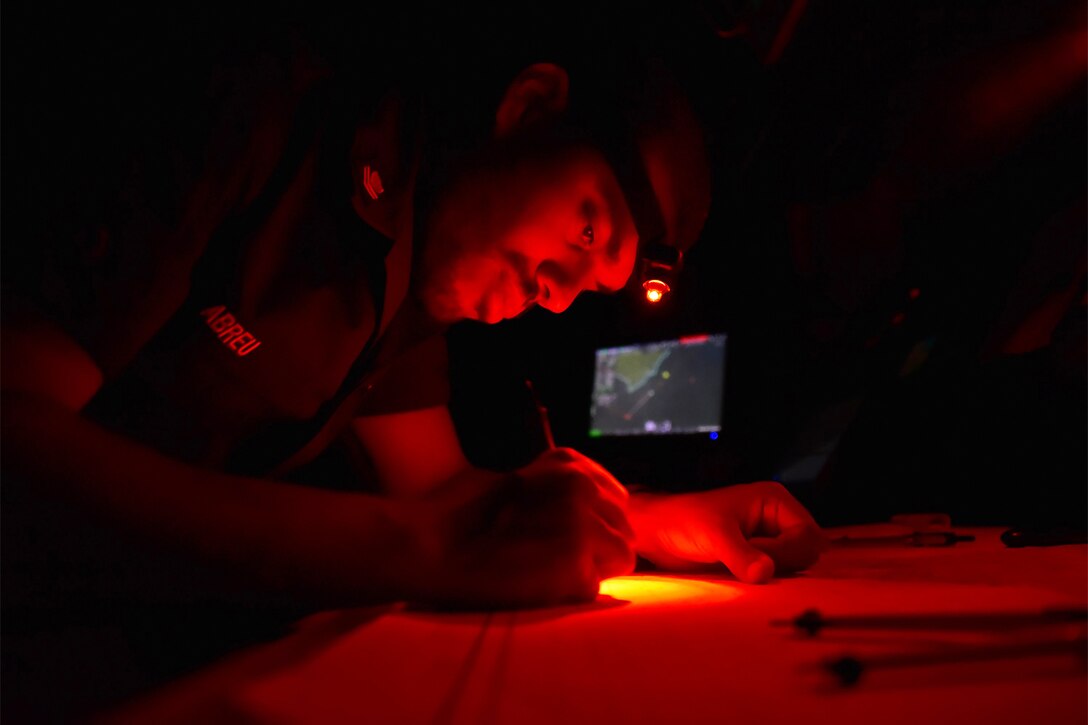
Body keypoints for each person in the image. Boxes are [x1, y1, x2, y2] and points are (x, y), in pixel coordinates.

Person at [2, 7, 827, 622]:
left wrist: (644, 522)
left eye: (589, 287)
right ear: (530, 106)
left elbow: (443, 489)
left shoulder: (412, 275)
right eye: (587, 228)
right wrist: (422, 551)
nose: (557, 291)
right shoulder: (266, 103)